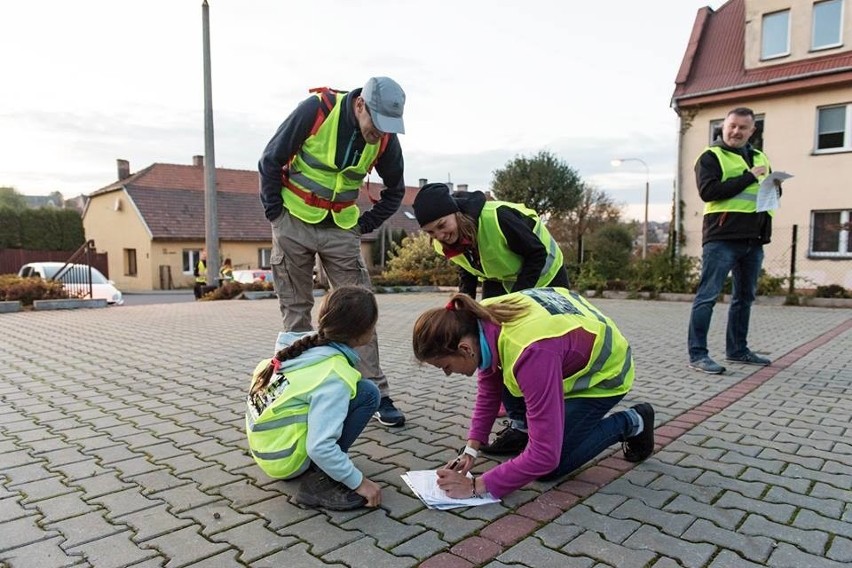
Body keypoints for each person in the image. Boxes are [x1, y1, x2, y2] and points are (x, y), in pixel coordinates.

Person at [258, 77, 407, 426]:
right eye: (376, 124)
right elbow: (269, 160)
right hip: (292, 220)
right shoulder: (317, 111)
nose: (379, 134)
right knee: (296, 310)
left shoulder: (385, 138)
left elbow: (396, 190)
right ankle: (296, 390)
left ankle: (376, 394)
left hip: (340, 228)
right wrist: (275, 214)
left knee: (360, 311)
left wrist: (364, 225)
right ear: (360, 106)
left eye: (388, 128)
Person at [411, 288, 655, 501]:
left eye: (445, 367)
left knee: (550, 466)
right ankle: (527, 432)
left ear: (464, 349)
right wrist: (471, 449)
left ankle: (633, 421)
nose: (447, 374)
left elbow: (545, 457)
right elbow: (490, 386)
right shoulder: (475, 318)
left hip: (606, 375)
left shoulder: (532, 353)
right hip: (565, 352)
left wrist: (477, 485)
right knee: (516, 389)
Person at [413, 182, 571, 454]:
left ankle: (553, 408)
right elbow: (468, 273)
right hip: (502, 279)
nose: (440, 235)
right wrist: (463, 315)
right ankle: (520, 425)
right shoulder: (443, 244)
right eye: (431, 232)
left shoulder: (498, 218)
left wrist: (519, 301)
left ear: (455, 213)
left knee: (535, 346)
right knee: (490, 340)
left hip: (545, 275)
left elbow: (536, 254)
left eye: (442, 225)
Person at [246, 286, 382, 511]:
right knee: (368, 393)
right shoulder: (333, 374)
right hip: (287, 462)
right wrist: (359, 483)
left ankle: (328, 467)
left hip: (268, 453)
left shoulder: (299, 349)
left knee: (359, 391)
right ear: (360, 333)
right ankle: (318, 481)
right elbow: (320, 448)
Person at [688, 107, 781, 375]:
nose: (736, 131)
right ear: (723, 127)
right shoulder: (710, 156)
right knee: (707, 297)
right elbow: (709, 191)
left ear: (752, 131)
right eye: (732, 126)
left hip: (754, 239)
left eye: (743, 127)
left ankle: (738, 350)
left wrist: (775, 186)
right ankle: (698, 355)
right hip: (722, 238)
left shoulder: (760, 156)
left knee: (744, 298)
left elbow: (766, 193)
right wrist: (750, 176)